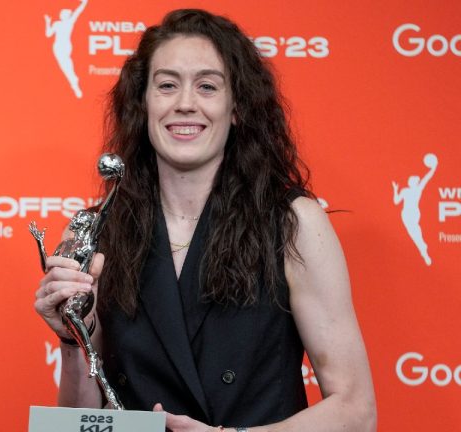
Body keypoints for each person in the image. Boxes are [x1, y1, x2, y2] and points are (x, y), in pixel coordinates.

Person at [34, 9, 376, 432]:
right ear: (143, 103)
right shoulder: (93, 232)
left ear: (237, 108)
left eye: (207, 86)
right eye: (167, 85)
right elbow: (79, 421)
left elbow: (356, 410)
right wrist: (71, 338)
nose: (185, 104)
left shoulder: (293, 223)